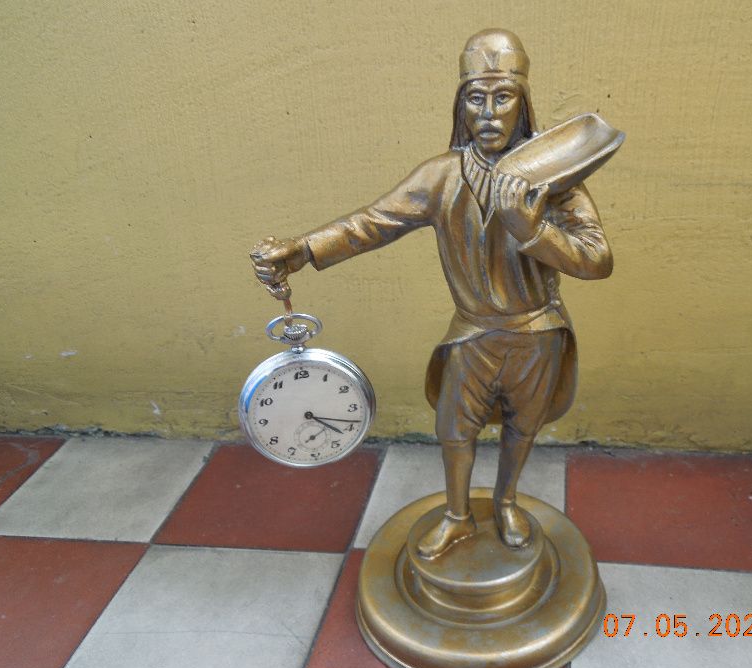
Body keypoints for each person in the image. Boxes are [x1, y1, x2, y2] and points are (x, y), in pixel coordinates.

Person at [251, 29, 612, 558]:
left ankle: (507, 502)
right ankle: (458, 515)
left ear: (524, 104)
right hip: (472, 332)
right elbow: (372, 223)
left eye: (503, 97)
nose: (488, 113)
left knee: (522, 426)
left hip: (538, 331)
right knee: (454, 429)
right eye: (475, 98)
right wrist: (303, 249)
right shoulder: (442, 176)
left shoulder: (554, 179)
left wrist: (532, 228)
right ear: (460, 105)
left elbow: (597, 260)